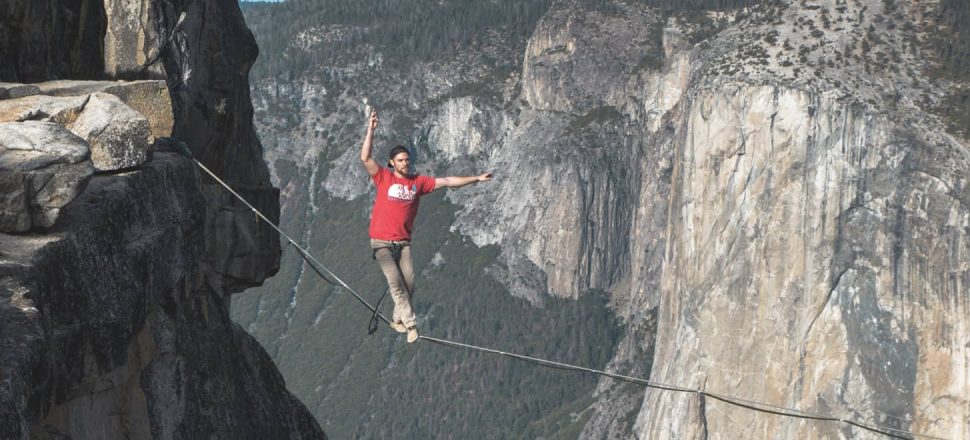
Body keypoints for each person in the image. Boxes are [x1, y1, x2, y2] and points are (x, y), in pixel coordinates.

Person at [360, 109, 492, 343]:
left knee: (409, 285)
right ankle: (411, 325)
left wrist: (476, 179)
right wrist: (371, 130)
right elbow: (365, 158)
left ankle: (398, 319)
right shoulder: (384, 178)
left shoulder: (418, 183)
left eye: (407, 160)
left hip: (403, 243)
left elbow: (449, 181)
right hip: (381, 243)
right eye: (400, 160)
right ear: (392, 163)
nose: (405, 163)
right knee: (395, 282)